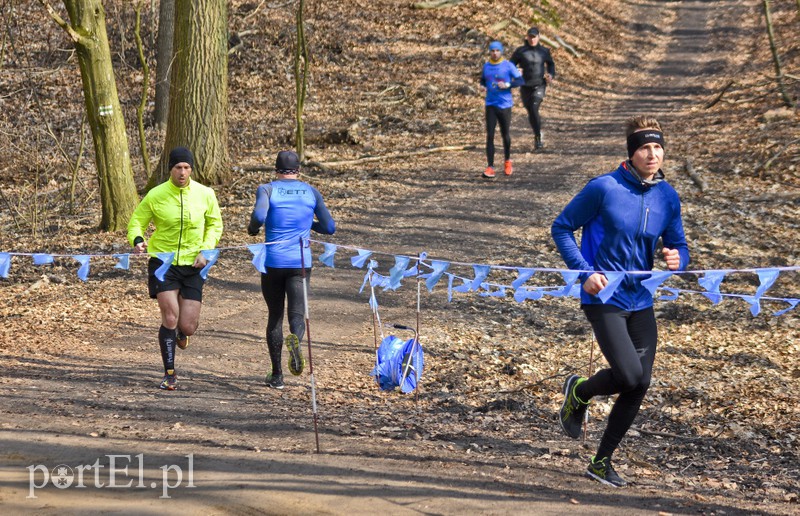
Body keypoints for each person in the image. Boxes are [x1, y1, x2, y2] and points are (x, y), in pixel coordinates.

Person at [551, 116, 690, 487]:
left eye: (658, 147)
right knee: (628, 375)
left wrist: (677, 259)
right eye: (645, 147)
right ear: (632, 152)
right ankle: (579, 391)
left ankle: (601, 461)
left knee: (639, 383)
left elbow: (679, 245)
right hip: (603, 296)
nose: (652, 154)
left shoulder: (666, 196)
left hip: (640, 298)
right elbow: (562, 227)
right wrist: (584, 271)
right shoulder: (604, 188)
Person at [127, 147, 223, 391]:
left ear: (192, 169)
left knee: (188, 324)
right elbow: (137, 221)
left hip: (194, 263)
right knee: (170, 316)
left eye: (187, 167)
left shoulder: (205, 194)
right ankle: (169, 372)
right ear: (170, 169)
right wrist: (137, 240)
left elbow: (214, 224)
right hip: (163, 262)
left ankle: (183, 332)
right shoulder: (156, 195)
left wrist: (206, 249)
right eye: (178, 167)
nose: (182, 172)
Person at [247, 150, 336, 389]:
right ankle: (295, 340)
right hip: (300, 263)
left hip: (273, 262)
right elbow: (329, 227)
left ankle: (277, 376)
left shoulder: (267, 189)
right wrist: (309, 224)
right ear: (298, 170)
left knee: (275, 316)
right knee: (296, 315)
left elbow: (258, 215)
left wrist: (253, 229)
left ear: (275, 170)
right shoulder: (310, 191)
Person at [479, 41, 523, 179]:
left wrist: (508, 84)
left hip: (505, 105)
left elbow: (520, 81)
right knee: (490, 135)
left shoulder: (508, 66)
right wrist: (482, 86)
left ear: (501, 51)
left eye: (497, 50)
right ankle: (490, 167)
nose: (495, 53)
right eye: (492, 50)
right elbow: (482, 80)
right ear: (490, 52)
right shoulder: (486, 66)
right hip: (490, 104)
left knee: (505, 134)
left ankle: (507, 160)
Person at [510, 27, 556, 150]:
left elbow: (551, 64)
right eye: (530, 36)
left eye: (534, 36)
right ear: (527, 37)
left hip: (539, 84)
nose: (532, 39)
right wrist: (515, 71)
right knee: (531, 112)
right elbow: (510, 65)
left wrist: (551, 75)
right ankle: (537, 133)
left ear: (539, 37)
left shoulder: (544, 51)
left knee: (534, 108)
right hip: (525, 86)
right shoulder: (520, 51)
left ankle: (538, 139)